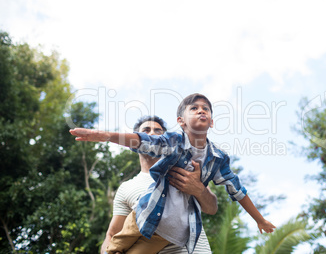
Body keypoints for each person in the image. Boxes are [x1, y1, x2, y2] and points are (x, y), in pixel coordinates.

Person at [70, 93, 276, 254]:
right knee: (116, 248)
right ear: (181, 121)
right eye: (194, 108)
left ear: (212, 122)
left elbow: (236, 191)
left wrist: (259, 219)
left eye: (205, 109)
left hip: (173, 234)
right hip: (145, 215)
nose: (201, 111)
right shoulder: (173, 144)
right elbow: (144, 141)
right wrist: (107, 136)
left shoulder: (217, 159)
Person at [99, 115, 217, 254]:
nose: (152, 134)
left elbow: (212, 208)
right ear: (134, 141)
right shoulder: (126, 188)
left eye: (158, 131)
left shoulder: (187, 169)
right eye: (146, 130)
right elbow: (112, 234)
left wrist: (199, 190)